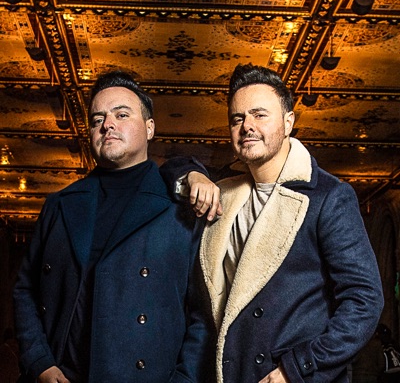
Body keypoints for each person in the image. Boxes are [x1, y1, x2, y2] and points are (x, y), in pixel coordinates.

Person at [161, 63, 384, 383]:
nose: (247, 126)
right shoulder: (224, 192)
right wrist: (194, 174)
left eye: (259, 114)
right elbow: (170, 168)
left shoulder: (328, 196)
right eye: (237, 118)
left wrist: (297, 368)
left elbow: (364, 301)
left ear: (288, 122)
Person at [13, 71, 214, 383]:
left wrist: (184, 380)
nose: (107, 124)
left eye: (121, 114)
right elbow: (25, 289)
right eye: (98, 119)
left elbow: (204, 314)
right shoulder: (59, 205)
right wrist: (40, 362)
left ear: (149, 128)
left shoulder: (182, 209)